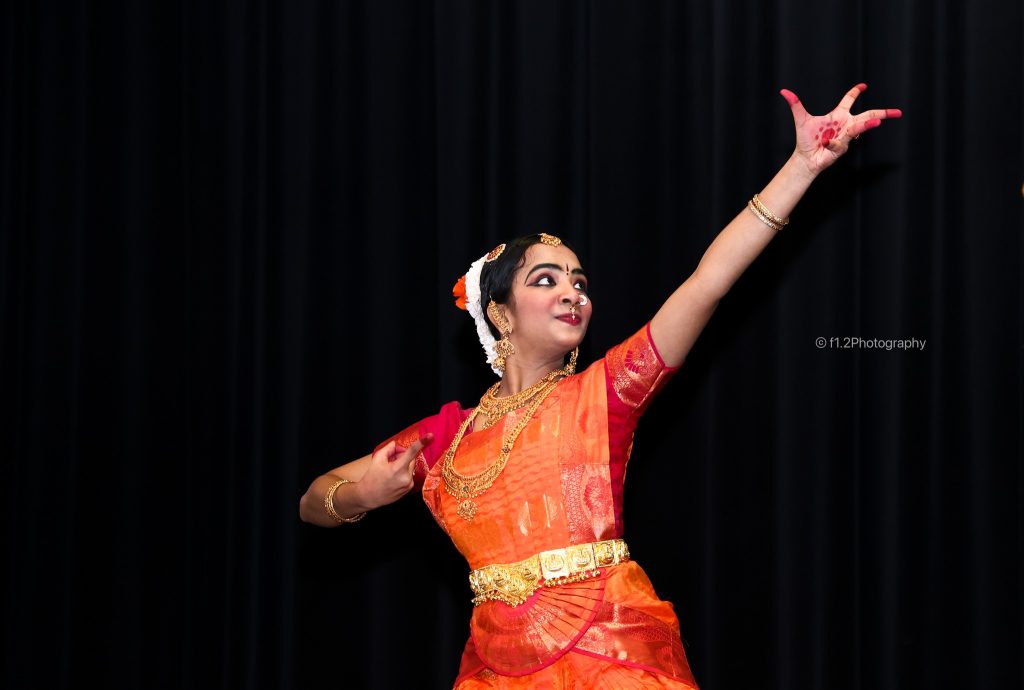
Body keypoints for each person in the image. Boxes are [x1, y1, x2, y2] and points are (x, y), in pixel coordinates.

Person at [300, 83, 901, 688]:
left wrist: (801, 168)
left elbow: (707, 282)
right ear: (500, 313)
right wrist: (362, 496)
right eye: (546, 280)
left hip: (612, 649)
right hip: (495, 669)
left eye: (580, 283)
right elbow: (313, 499)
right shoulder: (447, 438)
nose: (572, 292)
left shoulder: (606, 392)